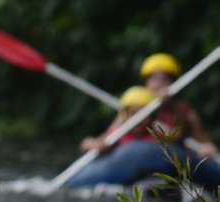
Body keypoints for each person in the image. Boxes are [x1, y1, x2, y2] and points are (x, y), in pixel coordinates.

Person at [69, 56, 220, 191]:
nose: (157, 84)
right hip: (131, 166)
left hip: (170, 166)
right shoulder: (132, 107)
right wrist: (92, 144)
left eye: (163, 79)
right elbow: (107, 139)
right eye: (153, 79)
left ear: (173, 83)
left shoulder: (183, 111)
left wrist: (207, 150)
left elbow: (186, 139)